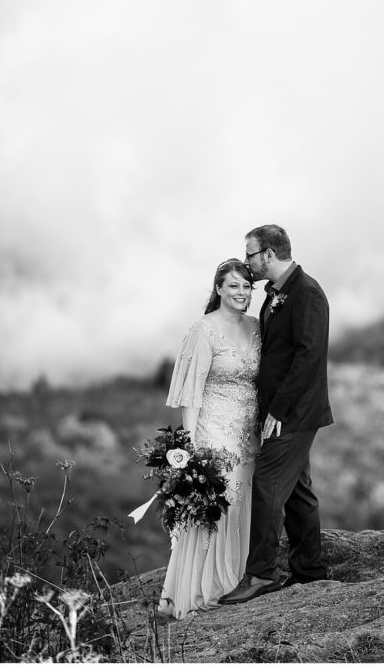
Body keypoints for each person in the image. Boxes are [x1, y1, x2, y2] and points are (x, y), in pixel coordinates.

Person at [219, 225, 332, 605]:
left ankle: (262, 574)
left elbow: (309, 356)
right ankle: (310, 571)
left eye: (250, 254)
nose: (248, 262)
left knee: (266, 486)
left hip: (294, 413)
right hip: (280, 411)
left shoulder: (308, 293)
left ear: (268, 254)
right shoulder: (277, 295)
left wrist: (279, 410)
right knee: (298, 493)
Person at [159, 259, 261, 618]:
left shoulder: (256, 327)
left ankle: (235, 579)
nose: (241, 293)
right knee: (219, 502)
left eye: (247, 287)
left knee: (245, 503)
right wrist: (189, 447)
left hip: (250, 432)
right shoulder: (203, 330)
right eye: (233, 286)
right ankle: (204, 588)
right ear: (218, 289)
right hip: (214, 431)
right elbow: (191, 393)